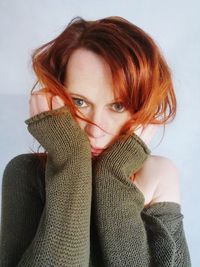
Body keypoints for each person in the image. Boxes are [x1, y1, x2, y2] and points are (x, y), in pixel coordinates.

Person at [0, 16, 191, 266]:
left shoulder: (157, 175)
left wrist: (112, 178)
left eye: (118, 105)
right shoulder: (26, 173)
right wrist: (72, 159)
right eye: (79, 101)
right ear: (55, 96)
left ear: (141, 106)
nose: (95, 129)